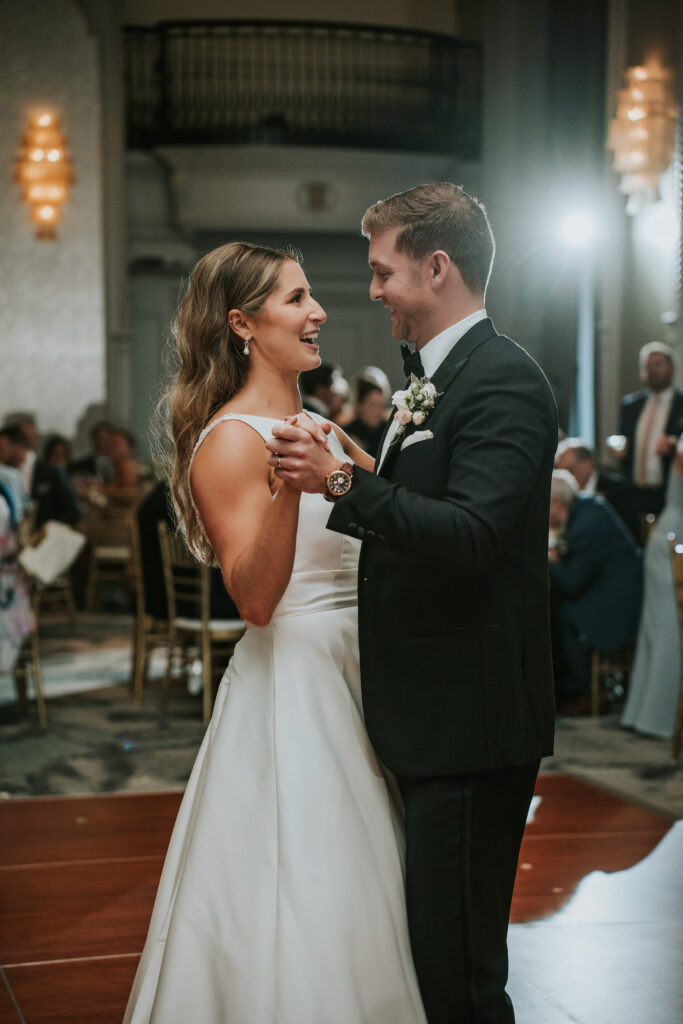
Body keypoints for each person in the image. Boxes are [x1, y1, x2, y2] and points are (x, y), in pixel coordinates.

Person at [267, 182, 558, 1024]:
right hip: (433, 711)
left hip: (470, 717)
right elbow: (432, 504)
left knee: (459, 971)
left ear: (436, 267)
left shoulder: (501, 379)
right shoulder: (437, 379)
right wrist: (364, 462)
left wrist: (340, 482)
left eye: (381, 270)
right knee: (435, 948)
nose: (371, 290)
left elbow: (470, 536)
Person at [124, 242, 426, 1023]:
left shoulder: (319, 425)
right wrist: (292, 490)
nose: (318, 311)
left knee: (379, 882)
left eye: (310, 296)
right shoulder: (228, 441)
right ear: (243, 324)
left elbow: (401, 521)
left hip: (367, 666)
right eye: (295, 298)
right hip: (296, 681)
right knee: (313, 882)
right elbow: (254, 601)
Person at [548, 470, 643, 714]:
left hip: (618, 602)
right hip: (608, 590)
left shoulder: (586, 524)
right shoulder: (586, 508)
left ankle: (584, 692)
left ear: (556, 503)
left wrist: (551, 559)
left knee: (563, 615)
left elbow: (571, 582)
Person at [622, 437, 683, 738]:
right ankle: (657, 717)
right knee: (668, 631)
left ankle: (645, 713)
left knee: (662, 628)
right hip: (675, 542)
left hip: (671, 535)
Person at [609, 341, 683, 530]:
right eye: (646, 365)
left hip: (667, 493)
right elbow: (620, 438)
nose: (651, 370)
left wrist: (675, 447)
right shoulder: (631, 404)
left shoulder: (681, 404)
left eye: (658, 364)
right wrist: (617, 447)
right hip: (633, 491)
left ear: (672, 368)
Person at [0, 426, 78, 527]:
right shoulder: (4, 477)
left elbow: (72, 512)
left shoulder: (51, 472)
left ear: (17, 447)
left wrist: (48, 531)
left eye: (1, 448)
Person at [344, 374, 389, 456]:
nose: (377, 411)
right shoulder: (347, 432)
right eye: (372, 405)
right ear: (360, 405)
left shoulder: (389, 431)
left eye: (381, 405)